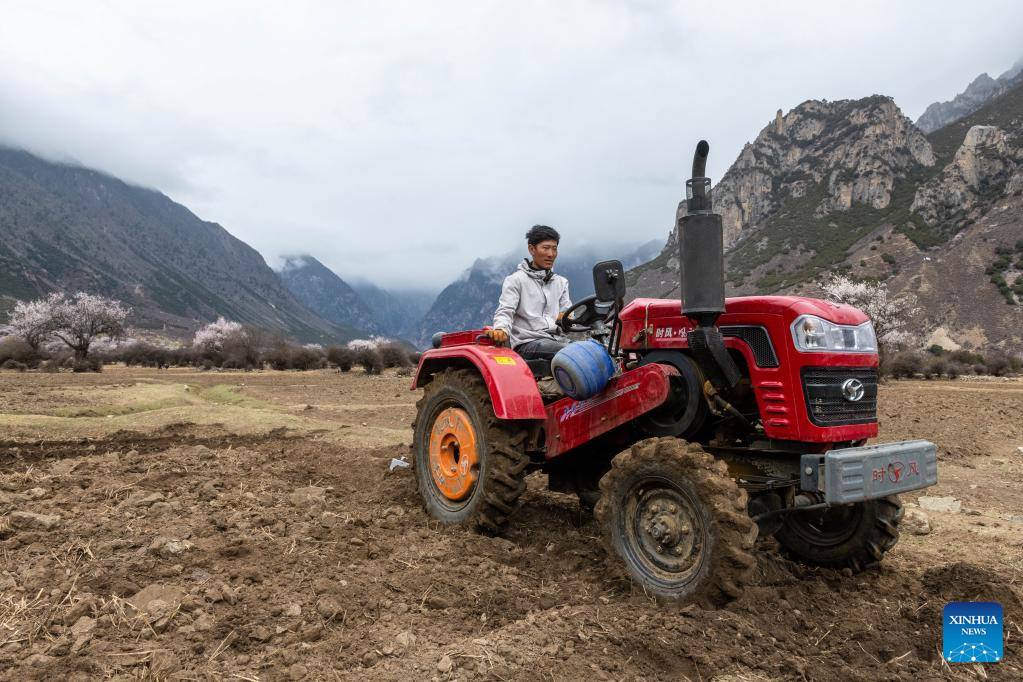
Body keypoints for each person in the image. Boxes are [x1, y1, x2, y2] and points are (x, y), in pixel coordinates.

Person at [487, 225, 571, 372]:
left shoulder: (561, 282)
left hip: (556, 340)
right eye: (546, 248)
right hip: (527, 343)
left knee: (592, 349)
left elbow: (568, 312)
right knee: (572, 352)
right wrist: (500, 329)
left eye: (554, 249)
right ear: (532, 249)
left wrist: (568, 318)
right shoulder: (516, 280)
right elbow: (505, 311)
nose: (551, 254)